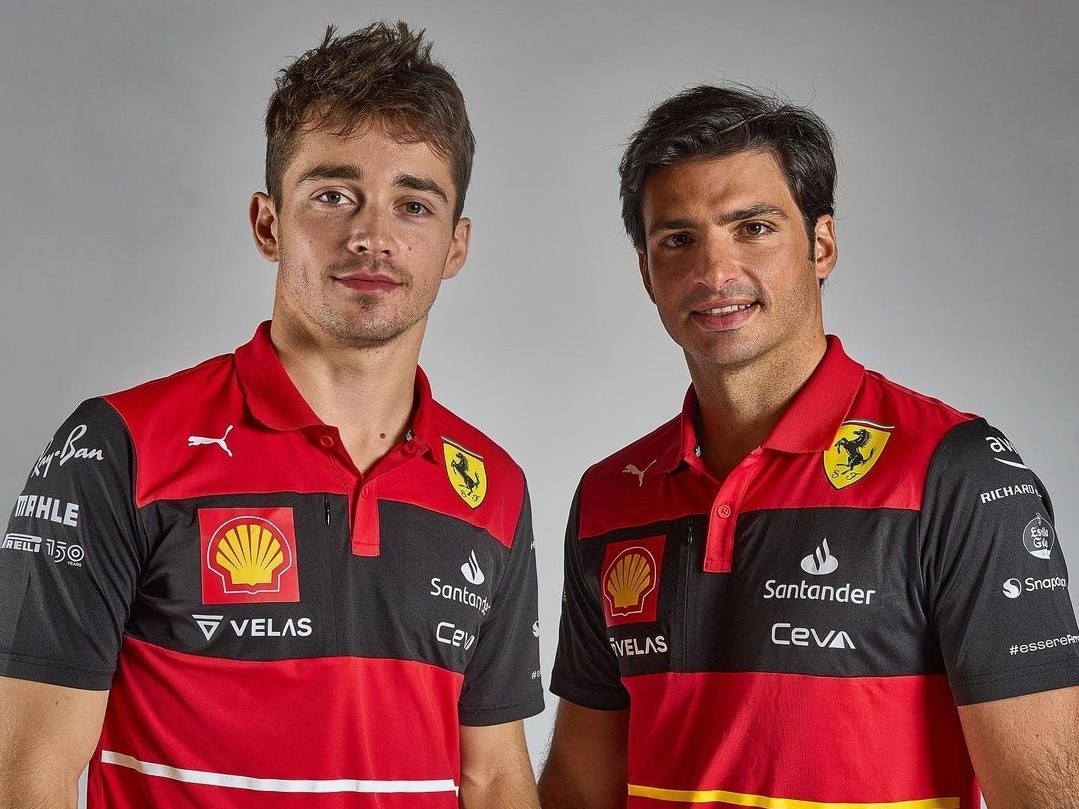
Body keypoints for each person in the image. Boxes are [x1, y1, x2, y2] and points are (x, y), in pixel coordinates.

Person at [0, 22, 543, 809]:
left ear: (455, 246)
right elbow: (27, 771)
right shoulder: (120, 446)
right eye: (333, 195)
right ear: (268, 223)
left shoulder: (492, 488)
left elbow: (494, 776)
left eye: (413, 205)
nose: (373, 236)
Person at [539, 85, 1079, 808]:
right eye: (678, 240)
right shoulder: (611, 496)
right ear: (647, 273)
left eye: (753, 228)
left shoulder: (956, 471)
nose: (714, 272)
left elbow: (1047, 796)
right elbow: (581, 785)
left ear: (821, 244)